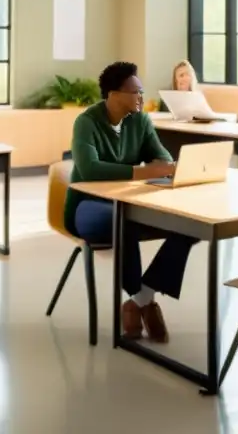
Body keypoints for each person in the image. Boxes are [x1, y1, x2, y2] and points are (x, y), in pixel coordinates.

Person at [65, 61, 197, 343]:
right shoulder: (86, 122)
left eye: (141, 91)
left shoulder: (141, 120)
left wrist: (161, 167)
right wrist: (145, 172)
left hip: (129, 201)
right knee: (123, 220)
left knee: (190, 226)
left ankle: (138, 300)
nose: (140, 96)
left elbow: (162, 158)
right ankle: (144, 304)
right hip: (87, 206)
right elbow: (90, 170)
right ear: (113, 94)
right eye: (135, 91)